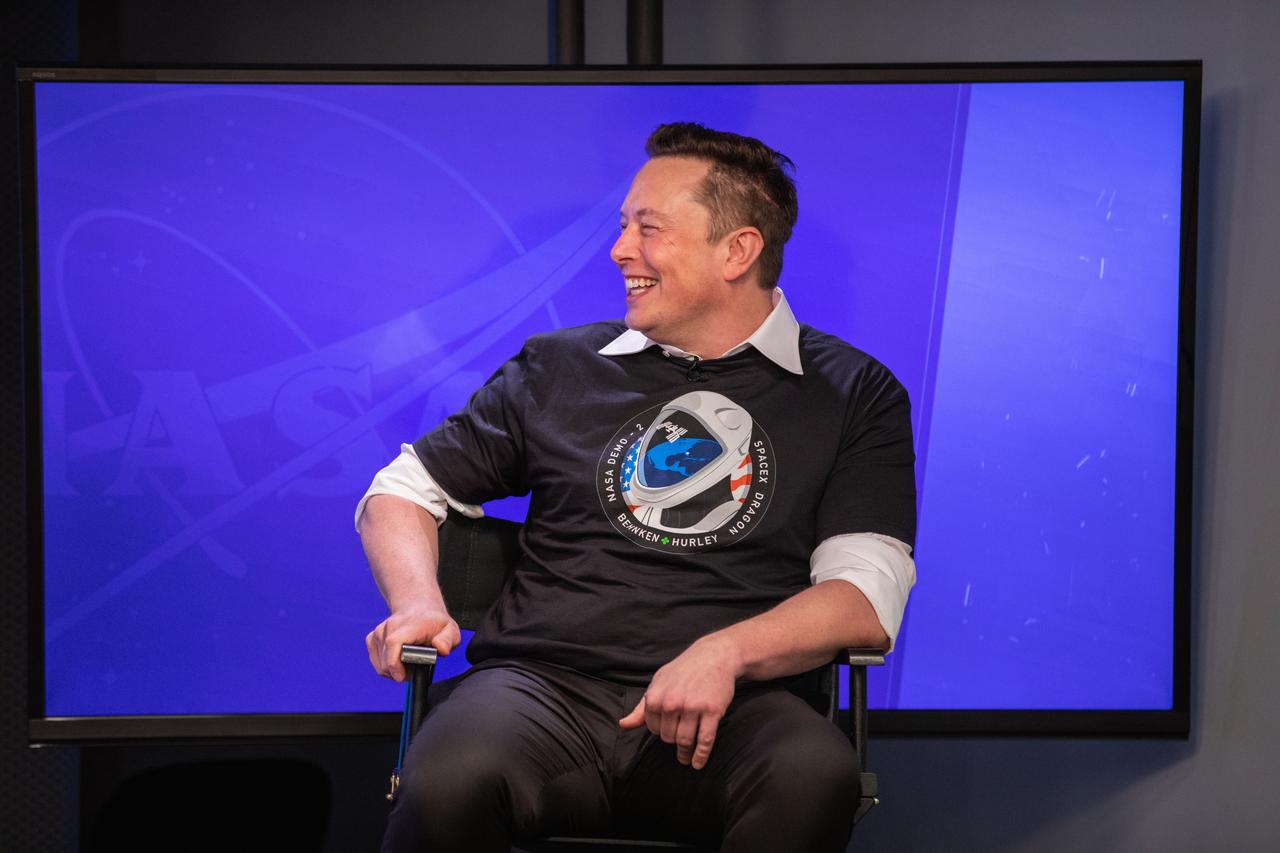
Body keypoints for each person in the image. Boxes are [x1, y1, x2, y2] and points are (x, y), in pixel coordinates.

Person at [357, 122, 917, 852]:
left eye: (648, 230)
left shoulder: (853, 393)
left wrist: (724, 652)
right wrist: (418, 604)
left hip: (739, 710)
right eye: (624, 226)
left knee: (814, 773)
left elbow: (865, 599)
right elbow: (403, 488)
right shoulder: (560, 366)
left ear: (737, 250)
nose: (621, 250)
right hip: (541, 692)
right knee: (450, 779)